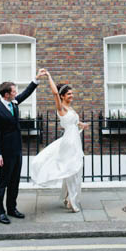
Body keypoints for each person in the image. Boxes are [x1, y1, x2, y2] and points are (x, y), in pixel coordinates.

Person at [0, 68, 47, 225]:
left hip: (17, 150)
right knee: (3, 183)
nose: (16, 93)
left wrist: (36, 79)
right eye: (14, 91)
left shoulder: (13, 103)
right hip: (5, 153)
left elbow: (26, 94)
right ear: (6, 94)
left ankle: (11, 208)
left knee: (14, 181)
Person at [30, 71, 88, 212]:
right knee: (72, 170)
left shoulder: (70, 108)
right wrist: (49, 77)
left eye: (72, 93)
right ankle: (72, 202)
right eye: (69, 94)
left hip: (75, 141)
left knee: (73, 170)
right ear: (62, 96)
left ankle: (68, 198)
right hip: (69, 142)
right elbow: (55, 94)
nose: (71, 96)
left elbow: (73, 120)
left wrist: (81, 124)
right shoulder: (60, 108)